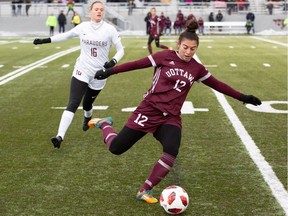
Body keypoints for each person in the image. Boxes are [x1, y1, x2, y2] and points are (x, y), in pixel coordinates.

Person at [89, 19, 262, 204]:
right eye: (185, 47)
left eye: (193, 49)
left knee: (171, 150)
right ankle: (105, 124)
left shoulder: (197, 69)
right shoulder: (164, 56)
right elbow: (137, 64)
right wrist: (110, 71)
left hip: (170, 117)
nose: (188, 52)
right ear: (178, 44)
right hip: (149, 110)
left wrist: (243, 97)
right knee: (116, 148)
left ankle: (145, 189)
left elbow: (218, 85)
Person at [32, 0, 124, 149]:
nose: (99, 11)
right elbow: (66, 36)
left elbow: (121, 50)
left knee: (87, 104)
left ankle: (87, 118)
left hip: (100, 74)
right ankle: (59, 136)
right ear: (90, 11)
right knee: (73, 103)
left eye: (101, 9)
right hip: (82, 69)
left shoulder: (110, 29)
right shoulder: (83, 27)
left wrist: (113, 61)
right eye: (96, 9)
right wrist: (45, 40)